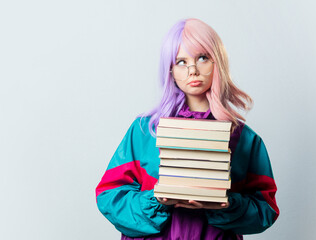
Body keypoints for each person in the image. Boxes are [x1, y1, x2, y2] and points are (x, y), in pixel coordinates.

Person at [95, 18, 279, 240]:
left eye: (202, 58)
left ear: (217, 62)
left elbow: (266, 209)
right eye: (181, 61)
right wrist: (157, 200)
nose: (193, 70)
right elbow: (108, 195)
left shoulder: (243, 139)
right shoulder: (145, 131)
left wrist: (225, 204)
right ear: (170, 69)